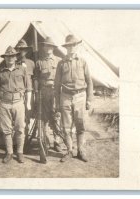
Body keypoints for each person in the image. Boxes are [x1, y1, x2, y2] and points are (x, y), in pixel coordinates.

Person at [54, 34, 93, 162]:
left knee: (80, 125)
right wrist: (57, 102)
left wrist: (89, 100)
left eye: (74, 45)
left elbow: (89, 81)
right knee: (66, 126)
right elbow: (56, 85)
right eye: (69, 46)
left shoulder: (83, 61)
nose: (71, 48)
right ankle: (70, 150)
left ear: (77, 46)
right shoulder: (61, 63)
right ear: (66, 47)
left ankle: (80, 150)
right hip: (65, 96)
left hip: (80, 96)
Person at [0, 46, 32, 164]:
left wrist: (28, 104)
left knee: (20, 129)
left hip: (19, 103)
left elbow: (28, 88)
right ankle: (9, 152)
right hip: (4, 104)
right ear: (5, 58)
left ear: (16, 58)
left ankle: (19, 153)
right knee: (6, 130)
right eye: (8, 56)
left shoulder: (22, 70)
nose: (10, 58)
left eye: (12, 56)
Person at [33, 37, 63, 152]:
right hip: (43, 91)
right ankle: (46, 142)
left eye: (50, 46)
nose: (48, 48)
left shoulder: (59, 60)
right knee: (43, 117)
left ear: (53, 48)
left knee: (56, 116)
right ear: (44, 47)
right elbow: (35, 78)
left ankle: (57, 141)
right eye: (46, 46)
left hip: (55, 91)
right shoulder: (39, 62)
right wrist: (36, 92)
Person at [15, 39, 35, 136]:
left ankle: (27, 136)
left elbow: (34, 78)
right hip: (18, 93)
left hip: (29, 93)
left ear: (26, 51)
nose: (21, 51)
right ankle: (19, 137)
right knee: (18, 116)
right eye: (19, 49)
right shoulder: (13, 63)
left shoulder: (31, 63)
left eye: (23, 49)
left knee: (28, 114)